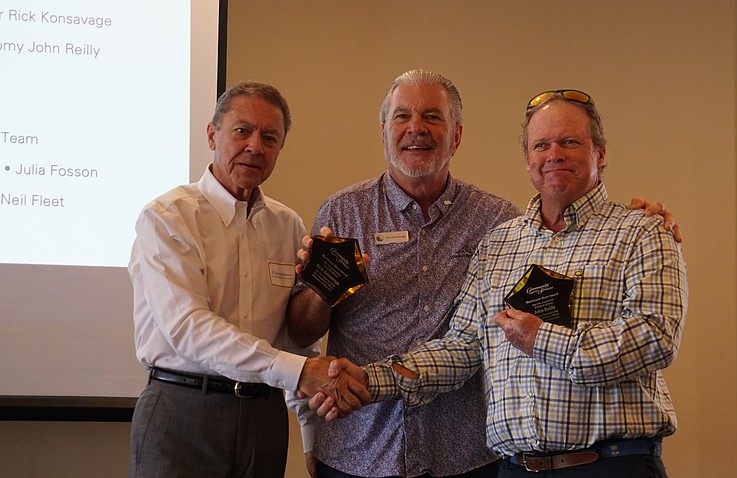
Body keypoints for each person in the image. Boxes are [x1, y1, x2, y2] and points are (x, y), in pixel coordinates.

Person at [288, 71, 681, 478]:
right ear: (528, 159)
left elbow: (656, 337)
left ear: (600, 153)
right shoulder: (502, 242)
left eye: (569, 142)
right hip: (492, 465)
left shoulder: (640, 231)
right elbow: (462, 346)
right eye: (541, 145)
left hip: (602, 464)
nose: (553, 155)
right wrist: (366, 380)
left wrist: (542, 338)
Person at [128, 81, 369, 478]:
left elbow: (295, 341)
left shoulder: (286, 224)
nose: (255, 146)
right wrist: (297, 372)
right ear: (212, 134)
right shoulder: (168, 217)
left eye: (270, 137)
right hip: (183, 412)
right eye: (242, 131)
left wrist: (313, 436)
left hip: (263, 419)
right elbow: (188, 328)